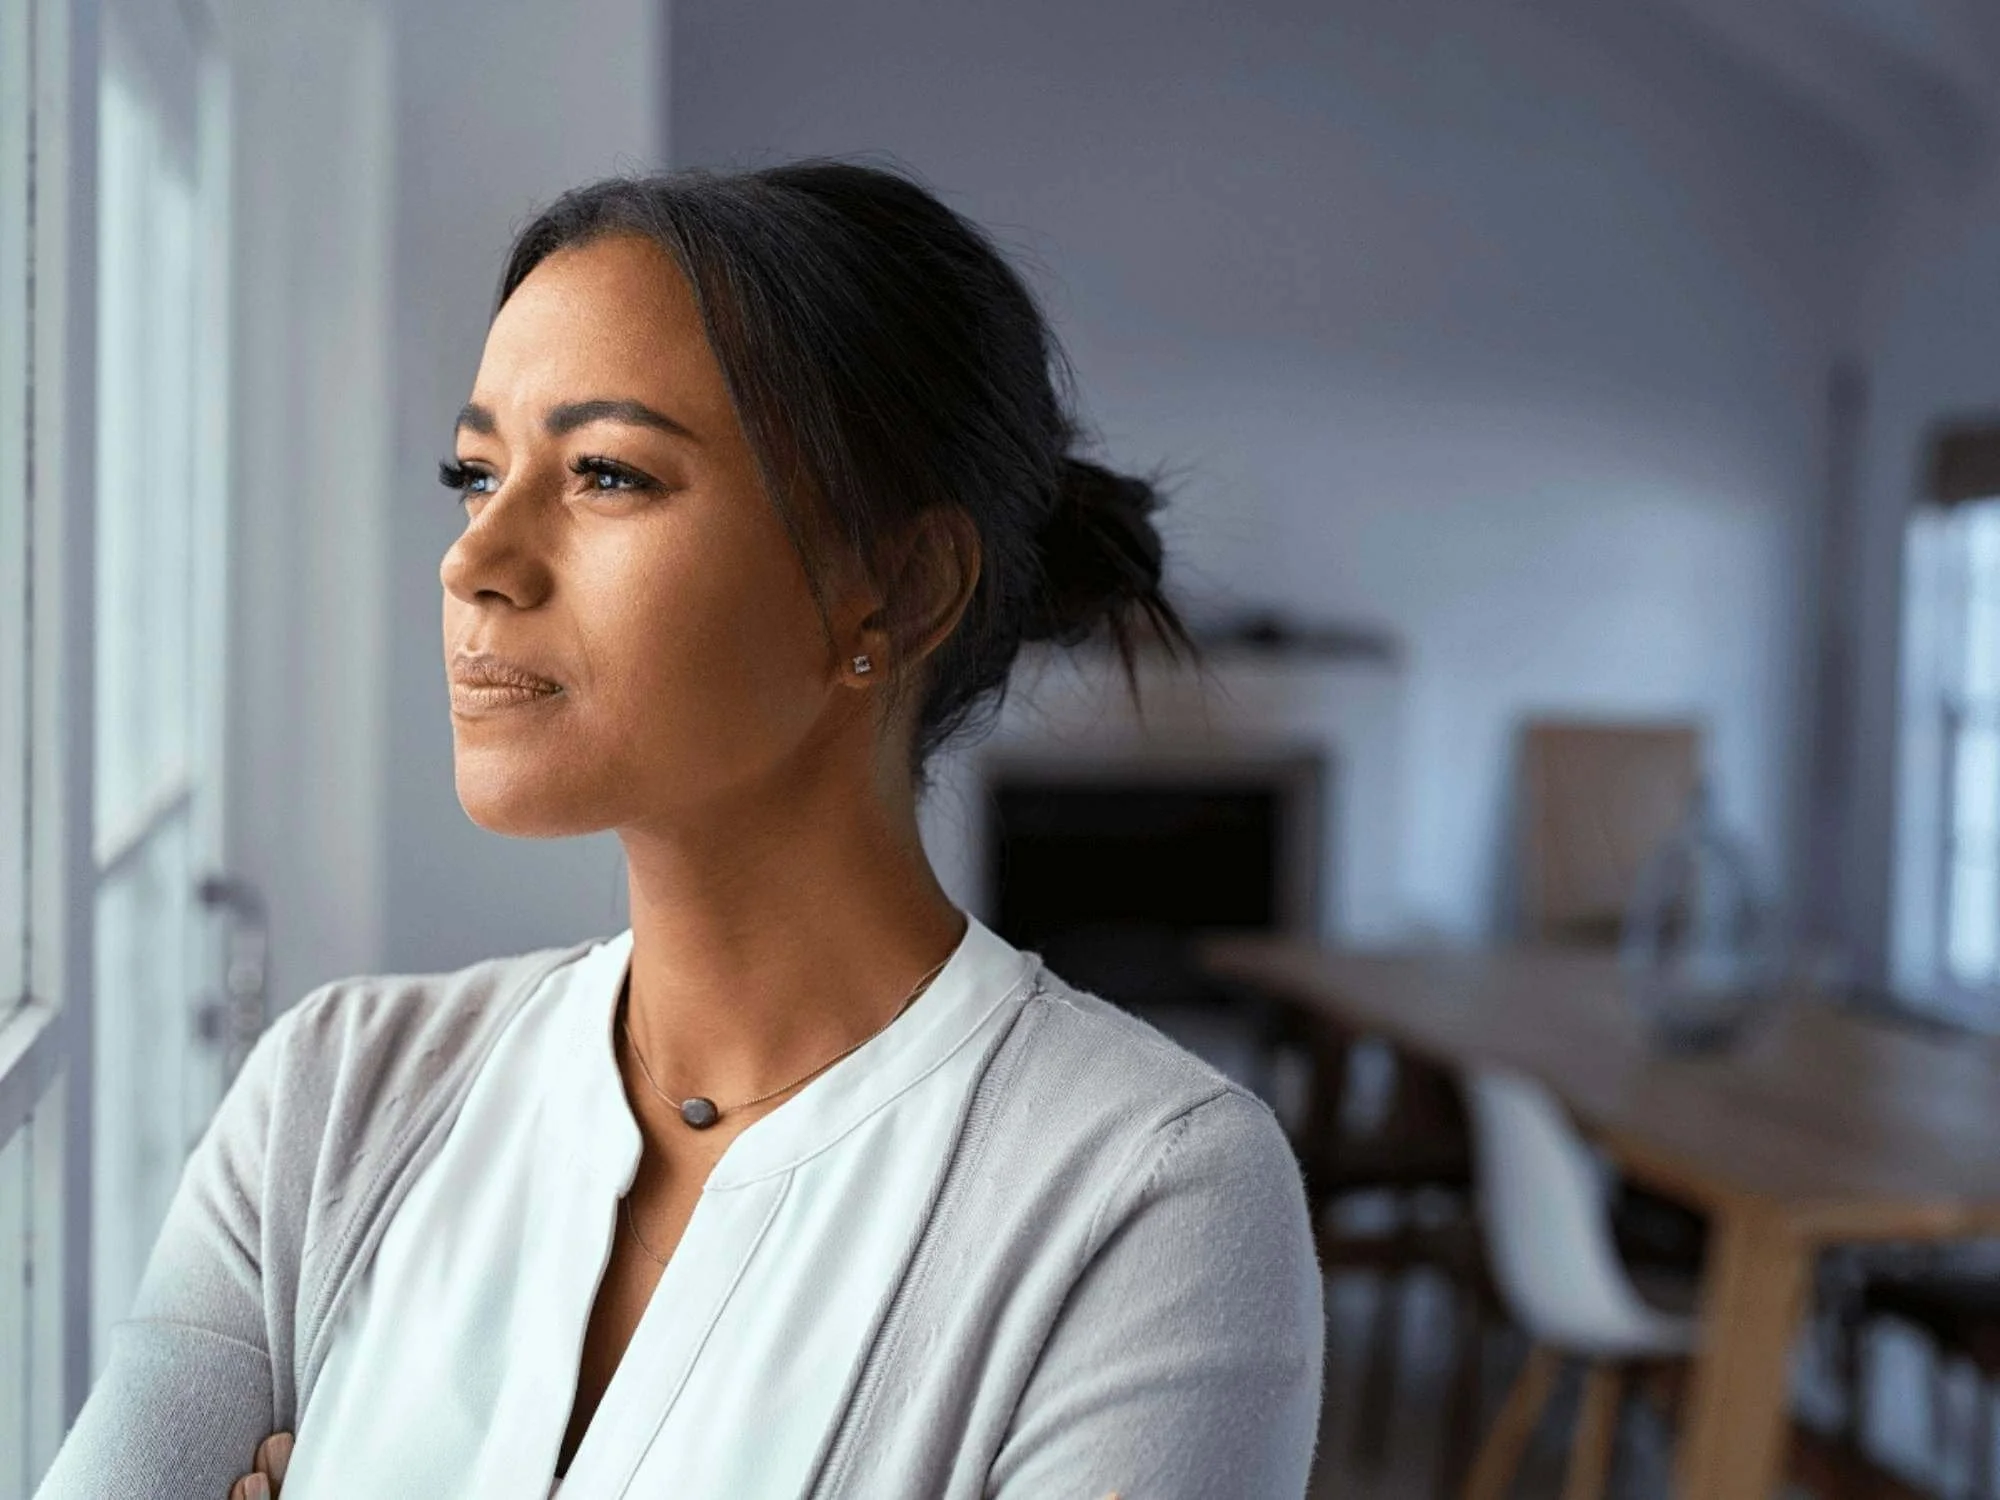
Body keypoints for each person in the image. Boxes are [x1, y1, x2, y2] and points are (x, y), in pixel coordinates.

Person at [36, 161, 1324, 1500]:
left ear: (897, 589)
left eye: (605, 473)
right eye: (475, 473)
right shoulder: (335, 1098)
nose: (474, 559)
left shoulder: (1148, 1201)